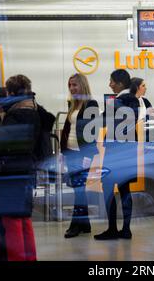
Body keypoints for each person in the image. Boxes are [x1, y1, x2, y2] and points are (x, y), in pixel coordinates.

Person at [0, 74, 40, 261]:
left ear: (11, 93)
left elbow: (4, 144)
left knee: (11, 220)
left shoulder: (13, 115)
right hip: (28, 169)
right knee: (24, 218)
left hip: (12, 171)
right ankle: (31, 257)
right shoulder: (35, 112)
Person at [94, 69, 139, 240]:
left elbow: (102, 121)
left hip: (114, 150)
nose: (110, 84)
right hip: (129, 150)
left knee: (108, 188)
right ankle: (126, 229)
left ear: (120, 83)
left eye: (111, 81)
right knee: (125, 189)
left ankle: (112, 228)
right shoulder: (135, 100)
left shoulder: (117, 102)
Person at [60, 73, 99, 238]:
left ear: (82, 85)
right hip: (70, 152)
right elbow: (68, 129)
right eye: (70, 85)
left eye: (75, 85)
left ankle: (75, 225)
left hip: (83, 153)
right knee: (78, 189)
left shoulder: (91, 104)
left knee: (79, 189)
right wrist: (63, 152)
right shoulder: (73, 104)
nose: (72, 88)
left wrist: (88, 157)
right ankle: (85, 224)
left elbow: (93, 132)